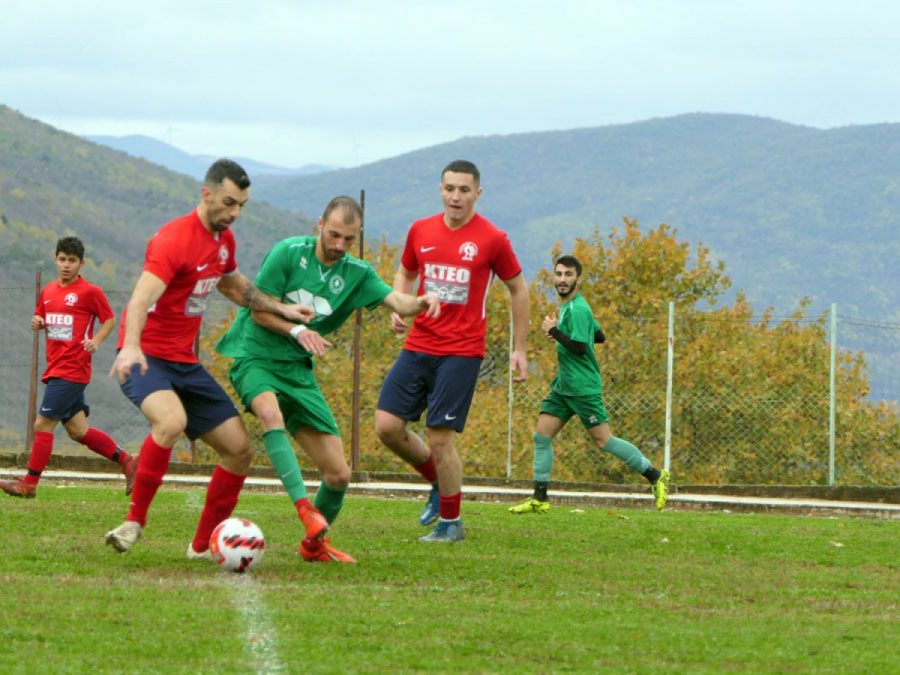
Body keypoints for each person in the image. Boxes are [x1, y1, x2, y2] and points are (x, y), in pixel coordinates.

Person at [105, 159, 315, 557]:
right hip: (146, 358)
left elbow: (236, 287)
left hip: (186, 364)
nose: (234, 212)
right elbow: (140, 299)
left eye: (241, 205)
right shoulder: (174, 240)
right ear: (207, 194)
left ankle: (202, 547)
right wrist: (131, 346)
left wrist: (285, 310)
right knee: (171, 422)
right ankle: (134, 522)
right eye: (228, 202)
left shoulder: (223, 242)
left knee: (239, 451)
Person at [217, 195, 441, 562]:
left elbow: (399, 302)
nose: (339, 245)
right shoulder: (288, 253)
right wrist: (295, 331)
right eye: (334, 234)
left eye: (348, 239)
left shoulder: (357, 274)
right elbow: (258, 312)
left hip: (297, 372)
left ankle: (314, 547)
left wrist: (421, 302)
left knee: (339, 474)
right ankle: (305, 511)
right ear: (319, 224)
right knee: (270, 414)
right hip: (254, 355)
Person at [375, 159, 530, 543]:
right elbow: (406, 272)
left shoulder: (492, 238)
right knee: (387, 427)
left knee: (440, 437)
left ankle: (451, 523)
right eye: (449, 188)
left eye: (463, 189)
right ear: (440, 190)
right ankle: (437, 482)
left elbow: (518, 289)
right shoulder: (420, 229)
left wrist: (520, 349)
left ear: (478, 192)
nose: (455, 196)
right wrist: (401, 305)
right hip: (419, 344)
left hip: (462, 351)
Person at [509, 255, 670, 515]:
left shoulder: (578, 309)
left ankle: (655, 476)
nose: (562, 279)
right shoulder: (571, 308)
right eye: (559, 274)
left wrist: (555, 332)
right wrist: (564, 336)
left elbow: (582, 348)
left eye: (568, 275)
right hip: (563, 387)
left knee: (604, 441)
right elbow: (599, 335)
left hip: (583, 389)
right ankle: (540, 498)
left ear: (578, 279)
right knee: (541, 436)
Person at [0, 237, 136, 499]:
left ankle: (29, 483)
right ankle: (127, 461)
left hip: (73, 368)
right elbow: (43, 316)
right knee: (78, 431)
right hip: (56, 367)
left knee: (42, 424)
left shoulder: (89, 292)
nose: (66, 265)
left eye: (72, 261)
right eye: (62, 259)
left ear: (81, 263)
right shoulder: (49, 291)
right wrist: (38, 321)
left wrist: (95, 341)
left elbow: (109, 319)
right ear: (55, 259)